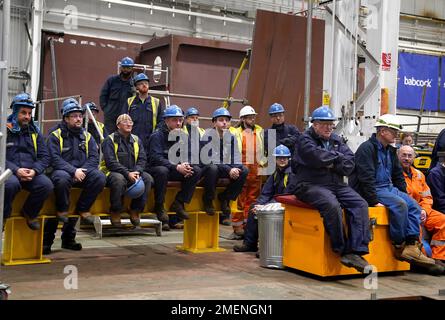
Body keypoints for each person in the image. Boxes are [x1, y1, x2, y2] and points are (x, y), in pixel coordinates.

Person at [351, 114, 436, 269]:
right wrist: (373, 201)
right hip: (374, 189)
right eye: (394, 130)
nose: (397, 134)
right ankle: (399, 244)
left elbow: (397, 176)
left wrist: (404, 193)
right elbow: (365, 178)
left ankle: (411, 245)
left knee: (414, 206)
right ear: (383, 131)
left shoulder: (390, 151)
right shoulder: (367, 149)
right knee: (400, 205)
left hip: (388, 188)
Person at [293, 106, 370, 273]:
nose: (329, 127)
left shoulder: (336, 140)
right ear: (314, 124)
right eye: (324, 124)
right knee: (331, 205)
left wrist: (332, 162)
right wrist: (336, 160)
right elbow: (316, 157)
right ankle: (341, 249)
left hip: (335, 184)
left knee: (360, 204)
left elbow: (350, 162)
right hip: (309, 185)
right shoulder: (304, 139)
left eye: (331, 124)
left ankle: (356, 251)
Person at [43, 99, 106, 254]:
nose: (79, 119)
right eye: (74, 116)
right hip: (61, 173)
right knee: (61, 181)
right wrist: (73, 171)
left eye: (80, 116)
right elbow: (54, 159)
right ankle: (46, 241)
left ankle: (74, 229)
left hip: (81, 172)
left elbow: (93, 157)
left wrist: (82, 171)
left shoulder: (87, 136)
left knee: (99, 177)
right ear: (65, 118)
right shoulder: (54, 135)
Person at [147, 105, 202, 231]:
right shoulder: (157, 136)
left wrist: (186, 165)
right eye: (174, 120)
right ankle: (159, 207)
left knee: (196, 170)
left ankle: (179, 202)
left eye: (180, 120)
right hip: (158, 169)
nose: (178, 123)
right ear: (166, 121)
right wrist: (176, 167)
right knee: (162, 170)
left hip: (176, 168)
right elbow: (155, 158)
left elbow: (188, 155)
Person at [234, 145, 297, 253]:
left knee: (267, 212)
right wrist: (260, 204)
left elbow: (287, 195)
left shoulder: (292, 174)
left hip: (286, 204)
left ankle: (268, 249)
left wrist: (265, 206)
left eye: (284, 158)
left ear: (288, 159)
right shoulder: (276, 173)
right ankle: (249, 244)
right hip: (275, 202)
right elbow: (266, 192)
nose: (282, 160)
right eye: (279, 158)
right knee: (253, 208)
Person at [3, 93, 53, 230]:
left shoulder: (35, 133)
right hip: (10, 172)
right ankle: (3, 217)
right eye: (23, 112)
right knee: (9, 185)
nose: (27, 116)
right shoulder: (4, 130)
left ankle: (29, 213)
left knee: (47, 185)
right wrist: (16, 170)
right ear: (14, 112)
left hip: (31, 172)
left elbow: (45, 157)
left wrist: (35, 170)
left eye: (29, 113)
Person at [101, 114, 153, 227]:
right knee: (119, 180)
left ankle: (135, 209)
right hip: (112, 172)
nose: (129, 123)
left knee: (148, 179)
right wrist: (127, 173)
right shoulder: (109, 140)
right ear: (118, 125)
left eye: (130, 121)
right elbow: (111, 162)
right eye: (125, 121)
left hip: (133, 172)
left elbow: (142, 158)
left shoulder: (136, 140)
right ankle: (115, 210)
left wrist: (137, 172)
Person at [200, 107, 248, 226]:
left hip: (225, 168)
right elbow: (211, 159)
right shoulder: (207, 136)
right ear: (214, 122)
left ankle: (225, 197)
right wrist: (229, 169)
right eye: (221, 120)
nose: (225, 123)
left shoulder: (231, 137)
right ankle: (208, 199)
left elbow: (236, 156)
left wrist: (236, 168)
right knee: (213, 168)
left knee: (244, 170)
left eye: (227, 120)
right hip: (209, 169)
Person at [398, 146, 445, 268]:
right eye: (404, 155)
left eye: (409, 156)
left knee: (442, 220)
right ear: (398, 156)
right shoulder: (395, 175)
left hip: (422, 210)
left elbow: (427, 197)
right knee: (415, 229)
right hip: (408, 212)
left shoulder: (419, 175)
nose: (407, 158)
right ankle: (421, 263)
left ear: (414, 158)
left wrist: (424, 210)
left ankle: (438, 258)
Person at [229, 105, 266, 238]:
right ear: (243, 119)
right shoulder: (234, 131)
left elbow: (264, 149)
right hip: (242, 168)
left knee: (253, 199)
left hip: (256, 169)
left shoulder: (260, 130)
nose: (252, 119)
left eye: (253, 117)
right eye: (249, 117)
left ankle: (248, 225)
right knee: (239, 199)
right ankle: (237, 226)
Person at [125, 73, 164, 153]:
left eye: (146, 83)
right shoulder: (129, 101)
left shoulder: (156, 102)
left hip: (150, 141)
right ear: (136, 87)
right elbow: (124, 119)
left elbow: (161, 121)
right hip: (132, 140)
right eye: (141, 83)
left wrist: (155, 135)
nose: (144, 85)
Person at [99, 56, 135, 134]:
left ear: (132, 68)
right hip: (111, 115)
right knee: (108, 137)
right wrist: (106, 109)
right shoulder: (112, 80)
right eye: (124, 67)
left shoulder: (134, 84)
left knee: (124, 137)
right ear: (121, 67)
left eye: (128, 68)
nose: (125, 70)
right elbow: (103, 95)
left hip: (125, 116)